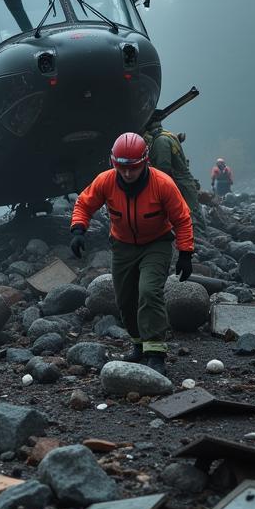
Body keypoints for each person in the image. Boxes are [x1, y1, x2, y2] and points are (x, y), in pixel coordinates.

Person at [70, 132, 195, 373]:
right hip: (123, 245)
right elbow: (84, 203)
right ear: (114, 164)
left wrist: (186, 253)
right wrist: (78, 229)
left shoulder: (162, 184)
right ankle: (139, 345)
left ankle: (156, 353)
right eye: (122, 168)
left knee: (148, 291)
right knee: (125, 300)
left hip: (156, 244)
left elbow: (182, 219)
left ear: (145, 162)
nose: (127, 174)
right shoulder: (106, 181)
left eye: (133, 168)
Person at [145, 118, 206, 235]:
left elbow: (163, 168)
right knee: (193, 215)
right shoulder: (168, 135)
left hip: (180, 186)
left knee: (191, 219)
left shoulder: (160, 141)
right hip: (185, 184)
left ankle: (197, 245)